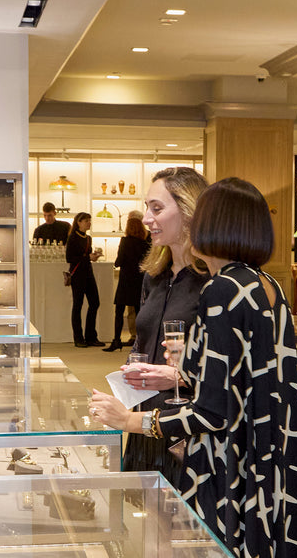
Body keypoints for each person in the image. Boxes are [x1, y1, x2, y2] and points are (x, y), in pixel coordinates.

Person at [89, 177, 297, 557]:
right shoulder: (265, 284)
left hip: (234, 467)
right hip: (269, 460)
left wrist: (131, 420)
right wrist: (190, 365)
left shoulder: (221, 289)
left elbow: (213, 411)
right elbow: (252, 378)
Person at [110, 167, 209, 485]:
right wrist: (129, 373)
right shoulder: (153, 276)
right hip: (144, 421)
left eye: (157, 208)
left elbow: (227, 370)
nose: (146, 219)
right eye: (147, 208)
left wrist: (180, 376)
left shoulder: (213, 281)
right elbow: (142, 342)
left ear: (189, 211)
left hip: (188, 429)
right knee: (143, 510)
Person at [104, 214, 151, 351]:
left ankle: (116, 340)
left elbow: (119, 261)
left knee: (119, 311)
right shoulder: (145, 243)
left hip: (125, 281)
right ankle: (141, 341)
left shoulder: (125, 241)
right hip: (139, 280)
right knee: (139, 311)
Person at [66, 212, 104, 347]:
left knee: (95, 302)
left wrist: (93, 257)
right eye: (86, 221)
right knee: (78, 305)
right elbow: (69, 258)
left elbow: (85, 257)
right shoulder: (72, 238)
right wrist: (88, 257)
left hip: (88, 273)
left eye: (89, 220)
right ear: (79, 222)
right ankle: (78, 338)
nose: (89, 223)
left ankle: (90, 336)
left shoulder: (88, 238)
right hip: (77, 275)